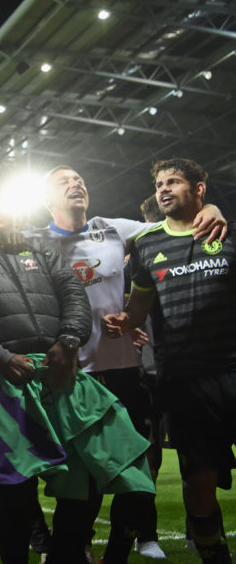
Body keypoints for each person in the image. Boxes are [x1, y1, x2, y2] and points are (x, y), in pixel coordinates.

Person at [26, 165, 225, 563]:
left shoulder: (114, 228)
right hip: (72, 380)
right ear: (47, 199)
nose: (76, 182)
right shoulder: (33, 243)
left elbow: (171, 225)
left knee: (137, 482)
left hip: (123, 373)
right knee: (79, 487)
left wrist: (212, 208)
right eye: (64, 181)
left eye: (80, 178)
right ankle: (69, 551)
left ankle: (115, 555)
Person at [0, 185, 119, 564]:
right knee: (13, 495)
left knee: (79, 481)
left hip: (58, 375)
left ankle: (64, 555)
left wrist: (69, 340)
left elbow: (74, 295)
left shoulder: (39, 249)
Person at [105, 158, 236, 564]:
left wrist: (219, 213)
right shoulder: (147, 245)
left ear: (199, 190)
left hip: (232, 368)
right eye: (160, 183)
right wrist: (125, 320)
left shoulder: (228, 234)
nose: (163, 189)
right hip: (184, 380)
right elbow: (140, 305)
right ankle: (216, 555)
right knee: (199, 487)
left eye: (174, 182)